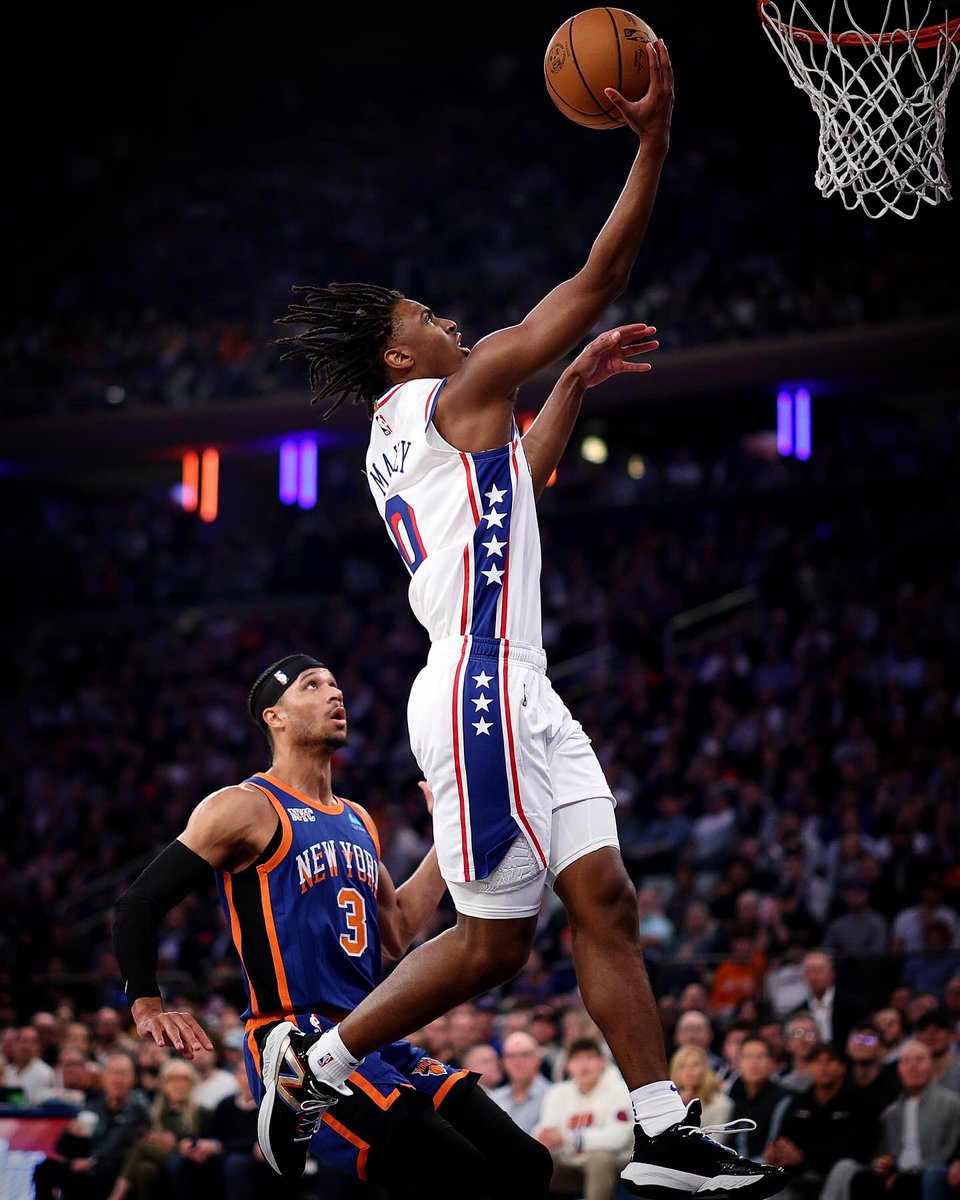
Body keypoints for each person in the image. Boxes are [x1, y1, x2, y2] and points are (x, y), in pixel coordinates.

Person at [272, 38, 784, 1200]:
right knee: (496, 941)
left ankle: (659, 1133)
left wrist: (573, 388)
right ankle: (320, 1063)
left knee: (605, 895)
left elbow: (520, 486)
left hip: (519, 683)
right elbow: (595, 279)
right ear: (405, 353)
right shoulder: (450, 390)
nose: (453, 318)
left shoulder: (426, 428)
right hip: (477, 684)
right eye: (430, 314)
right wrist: (652, 142)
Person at [112, 655, 552, 1200]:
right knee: (470, 1179)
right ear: (274, 717)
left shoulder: (357, 817)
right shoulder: (244, 807)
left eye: (336, 685)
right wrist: (147, 1003)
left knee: (528, 1165)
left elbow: (397, 930)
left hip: (373, 1034)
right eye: (312, 686)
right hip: (297, 1041)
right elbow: (139, 903)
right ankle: (290, 1092)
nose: (334, 694)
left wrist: (449, 835)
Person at [848, 1040, 960, 1200]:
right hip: (898, 1172)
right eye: (906, 1061)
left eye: (920, 1060)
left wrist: (909, 1172)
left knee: (911, 1182)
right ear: (899, 1070)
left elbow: (948, 1151)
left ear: (932, 1067)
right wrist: (881, 1164)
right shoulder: (891, 1112)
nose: (912, 1066)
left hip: (928, 1171)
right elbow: (881, 1154)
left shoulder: (953, 1104)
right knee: (861, 1179)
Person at [33, 1051, 151, 1200]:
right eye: (113, 1073)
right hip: (88, 1170)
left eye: (123, 1074)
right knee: (44, 1169)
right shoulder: (95, 1105)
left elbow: (122, 1143)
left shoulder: (138, 1107)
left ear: (133, 1078)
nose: (117, 1079)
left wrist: (93, 1161)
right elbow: (61, 1148)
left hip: (116, 1171)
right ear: (104, 1078)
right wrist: (71, 1134)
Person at [534, 1036, 633, 1200]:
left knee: (600, 1158)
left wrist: (569, 1138)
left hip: (615, 1166)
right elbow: (546, 1128)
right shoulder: (557, 1092)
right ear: (568, 1066)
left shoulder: (621, 1091)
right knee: (534, 1159)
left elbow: (618, 1138)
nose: (584, 1065)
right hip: (571, 1164)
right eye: (577, 1059)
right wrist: (543, 1136)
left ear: (603, 1063)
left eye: (590, 1057)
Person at [105, 1058, 203, 1200]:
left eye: (184, 1080)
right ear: (164, 1084)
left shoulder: (201, 1111)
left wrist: (177, 1140)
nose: (179, 1085)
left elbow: (204, 1138)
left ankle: (116, 1196)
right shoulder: (158, 1111)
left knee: (141, 1146)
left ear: (192, 1084)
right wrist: (157, 1138)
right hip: (163, 1159)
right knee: (146, 1169)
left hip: (188, 1157)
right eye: (173, 1080)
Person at [490, 1030, 551, 1136]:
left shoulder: (553, 1095)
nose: (518, 1062)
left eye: (525, 1055)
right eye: (511, 1056)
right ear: (504, 1062)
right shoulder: (495, 1099)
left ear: (538, 1059)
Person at [669, 1046, 734, 1140]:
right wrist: (681, 1106)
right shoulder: (669, 1104)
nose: (689, 1071)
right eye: (682, 1066)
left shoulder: (722, 1105)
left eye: (695, 1065)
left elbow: (714, 1143)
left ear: (705, 1069)